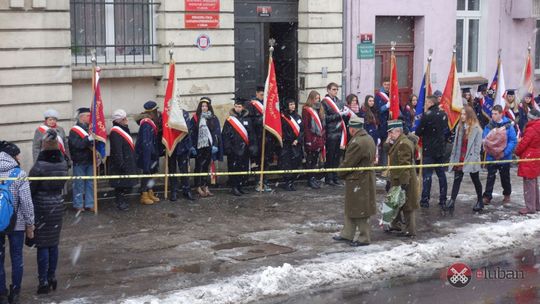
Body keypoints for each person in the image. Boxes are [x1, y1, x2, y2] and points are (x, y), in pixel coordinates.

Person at [28, 130, 68, 294]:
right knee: (53, 244)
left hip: (41, 207)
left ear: (44, 146)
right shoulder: (62, 163)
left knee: (43, 245)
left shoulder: (39, 166)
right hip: (57, 205)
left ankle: (43, 281)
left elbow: (31, 189)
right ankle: (52, 277)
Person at [332, 116, 376, 246]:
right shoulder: (368, 138)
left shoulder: (357, 142)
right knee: (352, 207)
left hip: (358, 179)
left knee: (360, 209)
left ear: (352, 129)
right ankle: (347, 234)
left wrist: (339, 172)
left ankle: (364, 238)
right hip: (362, 178)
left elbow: (349, 163)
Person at [0, 141, 35, 304]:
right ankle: (15, 292)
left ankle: (1, 292)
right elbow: (27, 203)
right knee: (16, 258)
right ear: (13, 156)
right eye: (18, 154)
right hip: (17, 223)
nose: (20, 157)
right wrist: (30, 224)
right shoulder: (19, 174)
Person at [385, 120, 418, 237]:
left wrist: (404, 184)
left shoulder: (403, 144)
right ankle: (396, 224)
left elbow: (405, 166)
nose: (389, 135)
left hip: (405, 180)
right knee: (396, 203)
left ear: (398, 131)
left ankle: (411, 231)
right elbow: (389, 152)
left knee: (408, 207)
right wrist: (388, 142)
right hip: (398, 179)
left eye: (391, 133)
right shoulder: (398, 142)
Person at [447, 106, 484, 212]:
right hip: (460, 156)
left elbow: (477, 147)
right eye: (461, 114)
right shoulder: (460, 127)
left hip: (470, 157)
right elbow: (456, 144)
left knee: (475, 179)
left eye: (464, 114)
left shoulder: (476, 128)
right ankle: (452, 201)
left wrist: (475, 159)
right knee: (457, 178)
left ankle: (480, 201)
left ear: (469, 115)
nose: (462, 116)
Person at [415, 95, 449, 209]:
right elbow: (447, 131)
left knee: (427, 175)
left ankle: (425, 200)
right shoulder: (443, 114)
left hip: (429, 149)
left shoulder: (427, 115)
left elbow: (419, 131)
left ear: (430, 103)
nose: (425, 105)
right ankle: (443, 198)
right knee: (441, 174)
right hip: (440, 149)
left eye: (426, 103)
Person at [482, 105, 518, 205]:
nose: (493, 116)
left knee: (505, 177)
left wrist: (504, 153)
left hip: (504, 157)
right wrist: (492, 150)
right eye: (492, 113)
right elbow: (485, 139)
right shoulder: (488, 126)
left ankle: (507, 194)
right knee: (490, 177)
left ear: (501, 114)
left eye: (495, 114)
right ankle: (487, 196)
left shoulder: (508, 126)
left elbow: (513, 141)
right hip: (491, 157)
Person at [222, 98, 257, 196]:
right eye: (236, 106)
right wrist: (228, 148)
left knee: (244, 169)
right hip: (234, 150)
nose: (237, 108)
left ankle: (241, 186)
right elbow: (225, 135)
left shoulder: (248, 119)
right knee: (234, 169)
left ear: (243, 108)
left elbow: (252, 134)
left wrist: (252, 146)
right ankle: (234, 187)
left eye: (239, 107)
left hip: (245, 149)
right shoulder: (230, 120)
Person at [191, 97, 222, 198]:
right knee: (198, 166)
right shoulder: (195, 118)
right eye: (202, 106)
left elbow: (217, 133)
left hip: (209, 146)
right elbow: (192, 133)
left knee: (207, 166)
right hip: (199, 146)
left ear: (209, 107)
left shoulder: (213, 118)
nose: (204, 108)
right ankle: (197, 186)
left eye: (206, 106)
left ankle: (205, 186)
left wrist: (216, 145)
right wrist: (192, 146)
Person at [108, 109, 137, 211]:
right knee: (120, 185)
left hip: (127, 160)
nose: (126, 120)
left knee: (126, 184)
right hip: (121, 162)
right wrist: (121, 164)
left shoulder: (123, 129)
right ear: (120, 120)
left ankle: (123, 201)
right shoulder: (116, 132)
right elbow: (117, 149)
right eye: (124, 118)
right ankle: (120, 202)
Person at [247, 86, 273, 191]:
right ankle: (258, 182)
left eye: (264, 95)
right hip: (256, 137)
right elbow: (250, 121)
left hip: (267, 137)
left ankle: (265, 181)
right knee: (258, 162)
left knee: (266, 161)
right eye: (261, 95)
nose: (263, 97)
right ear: (257, 94)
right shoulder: (252, 105)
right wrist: (261, 120)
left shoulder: (267, 105)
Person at [68, 107, 94, 212]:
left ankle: (90, 203)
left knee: (90, 183)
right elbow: (77, 145)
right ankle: (78, 204)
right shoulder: (74, 130)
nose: (90, 118)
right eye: (88, 116)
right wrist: (89, 139)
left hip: (90, 160)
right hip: (79, 161)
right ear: (81, 117)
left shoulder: (90, 129)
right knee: (79, 184)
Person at [514, 108, 540, 214]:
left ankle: (530, 207)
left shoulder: (531, 129)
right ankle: (537, 205)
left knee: (529, 183)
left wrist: (517, 151)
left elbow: (524, 144)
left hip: (529, 157)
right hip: (536, 156)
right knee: (533, 182)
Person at [135, 101, 161, 205]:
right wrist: (148, 156)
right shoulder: (146, 123)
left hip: (151, 153)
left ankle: (150, 192)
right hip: (147, 154)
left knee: (151, 174)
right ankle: (144, 194)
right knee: (146, 174)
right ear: (152, 112)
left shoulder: (149, 122)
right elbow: (146, 142)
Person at [322, 82, 346, 186]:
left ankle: (335, 176)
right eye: (333, 89)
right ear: (328, 90)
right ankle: (329, 177)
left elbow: (343, 117)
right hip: (330, 133)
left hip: (339, 132)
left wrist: (344, 114)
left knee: (337, 157)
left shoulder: (340, 102)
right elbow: (324, 119)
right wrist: (337, 115)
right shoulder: (325, 102)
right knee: (330, 156)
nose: (335, 91)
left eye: (337, 89)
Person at [168, 109, 195, 202]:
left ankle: (186, 189)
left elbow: (188, 129)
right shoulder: (167, 113)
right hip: (171, 146)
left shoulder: (185, 113)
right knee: (172, 170)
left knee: (184, 170)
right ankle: (174, 191)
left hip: (183, 146)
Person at [302, 90, 325, 189]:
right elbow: (306, 126)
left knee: (315, 159)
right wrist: (308, 140)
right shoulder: (306, 110)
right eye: (315, 98)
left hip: (318, 138)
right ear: (311, 99)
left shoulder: (319, 109)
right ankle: (310, 178)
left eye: (318, 98)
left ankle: (313, 177)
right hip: (311, 138)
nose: (317, 100)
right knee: (310, 159)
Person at [280, 98, 304, 191]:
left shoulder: (298, 116)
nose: (292, 106)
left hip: (297, 144)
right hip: (288, 145)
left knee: (296, 163)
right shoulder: (283, 117)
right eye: (290, 104)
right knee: (288, 163)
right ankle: (287, 182)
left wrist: (298, 139)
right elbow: (284, 131)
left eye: (293, 104)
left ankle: (292, 181)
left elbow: (302, 130)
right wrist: (291, 140)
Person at [375, 77, 391, 165]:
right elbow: (378, 110)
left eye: (388, 84)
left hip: (391, 124)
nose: (387, 86)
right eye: (385, 84)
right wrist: (386, 106)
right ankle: (383, 165)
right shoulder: (378, 96)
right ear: (382, 85)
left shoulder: (392, 94)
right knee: (383, 146)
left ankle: (388, 165)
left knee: (389, 146)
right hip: (382, 124)